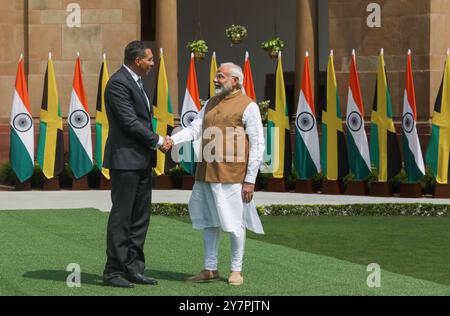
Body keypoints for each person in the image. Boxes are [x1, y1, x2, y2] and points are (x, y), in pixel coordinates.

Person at [165, 63, 265, 286]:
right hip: (207, 172)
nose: (215, 80)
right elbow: (194, 129)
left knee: (235, 223)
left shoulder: (249, 106)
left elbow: (258, 144)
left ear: (235, 81)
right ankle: (210, 269)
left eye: (220, 76)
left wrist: (250, 179)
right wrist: (173, 140)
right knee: (210, 222)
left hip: (234, 175)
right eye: (216, 76)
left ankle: (236, 270)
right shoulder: (210, 103)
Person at [102, 41, 170, 288]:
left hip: (141, 160)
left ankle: (134, 269)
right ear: (137, 60)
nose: (153, 64)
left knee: (140, 217)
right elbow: (130, 122)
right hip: (125, 161)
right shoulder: (118, 83)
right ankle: (113, 272)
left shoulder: (138, 82)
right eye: (150, 60)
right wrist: (159, 141)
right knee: (122, 217)